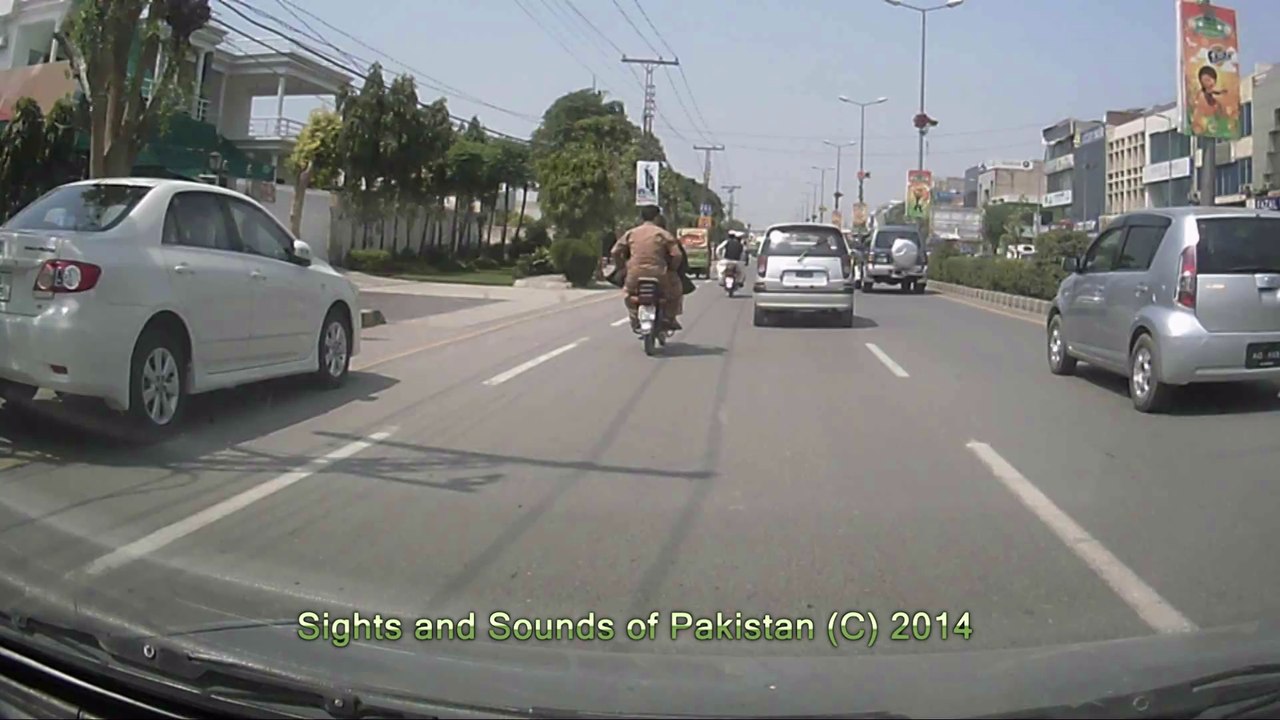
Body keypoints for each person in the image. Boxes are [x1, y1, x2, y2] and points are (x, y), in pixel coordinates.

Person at [611, 205, 684, 331]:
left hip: (634, 274)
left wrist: (621, 267)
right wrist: (672, 268)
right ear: (657, 217)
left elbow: (615, 252)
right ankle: (670, 317)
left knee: (628, 293)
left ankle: (634, 317)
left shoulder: (631, 233)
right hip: (659, 274)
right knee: (676, 291)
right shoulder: (663, 234)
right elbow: (677, 255)